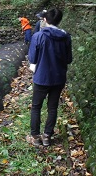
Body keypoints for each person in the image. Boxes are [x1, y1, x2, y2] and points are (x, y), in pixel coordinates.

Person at [27, 8, 72, 146]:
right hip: (58, 78)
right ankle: (47, 136)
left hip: (42, 77)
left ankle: (35, 137)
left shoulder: (38, 36)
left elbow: (32, 58)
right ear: (59, 21)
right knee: (52, 107)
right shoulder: (66, 37)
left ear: (45, 20)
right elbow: (69, 59)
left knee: (36, 107)